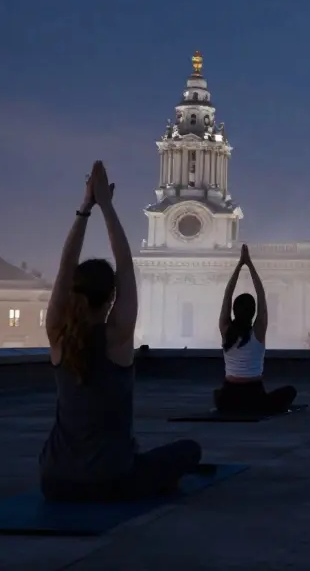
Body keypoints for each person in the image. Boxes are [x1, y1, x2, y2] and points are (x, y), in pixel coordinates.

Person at [40, 161, 202, 503]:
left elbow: (64, 266)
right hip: (110, 481)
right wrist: (108, 207)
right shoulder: (117, 339)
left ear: (73, 292)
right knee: (189, 450)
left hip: (54, 482)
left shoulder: (58, 335)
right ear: (111, 296)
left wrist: (86, 208)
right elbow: (126, 265)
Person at [214, 244, 298, 415]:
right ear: (253, 312)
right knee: (290, 391)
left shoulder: (226, 330)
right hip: (255, 398)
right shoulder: (259, 331)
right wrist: (250, 264)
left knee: (217, 394)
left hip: (227, 399)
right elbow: (261, 294)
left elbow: (227, 294)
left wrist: (240, 265)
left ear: (234, 311)